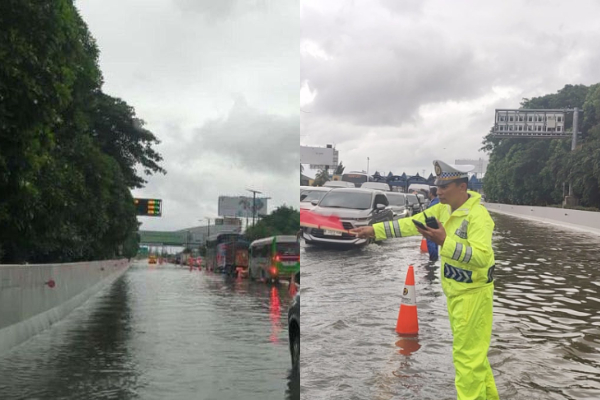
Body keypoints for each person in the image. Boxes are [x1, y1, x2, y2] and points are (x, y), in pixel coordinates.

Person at [351, 160, 499, 400]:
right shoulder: (442, 209)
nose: (438, 191)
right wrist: (375, 230)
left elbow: (482, 258)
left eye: (444, 186)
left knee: (467, 360)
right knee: (474, 356)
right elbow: (411, 224)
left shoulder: (478, 217)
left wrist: (445, 243)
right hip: (457, 294)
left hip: (473, 296)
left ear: (462, 186)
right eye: (437, 185)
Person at [426, 187, 440, 261]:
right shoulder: (438, 202)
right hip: (437, 226)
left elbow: (429, 216)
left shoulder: (433, 204)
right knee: (435, 242)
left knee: (431, 242)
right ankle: (435, 257)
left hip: (431, 226)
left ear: (431, 193)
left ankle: (433, 259)